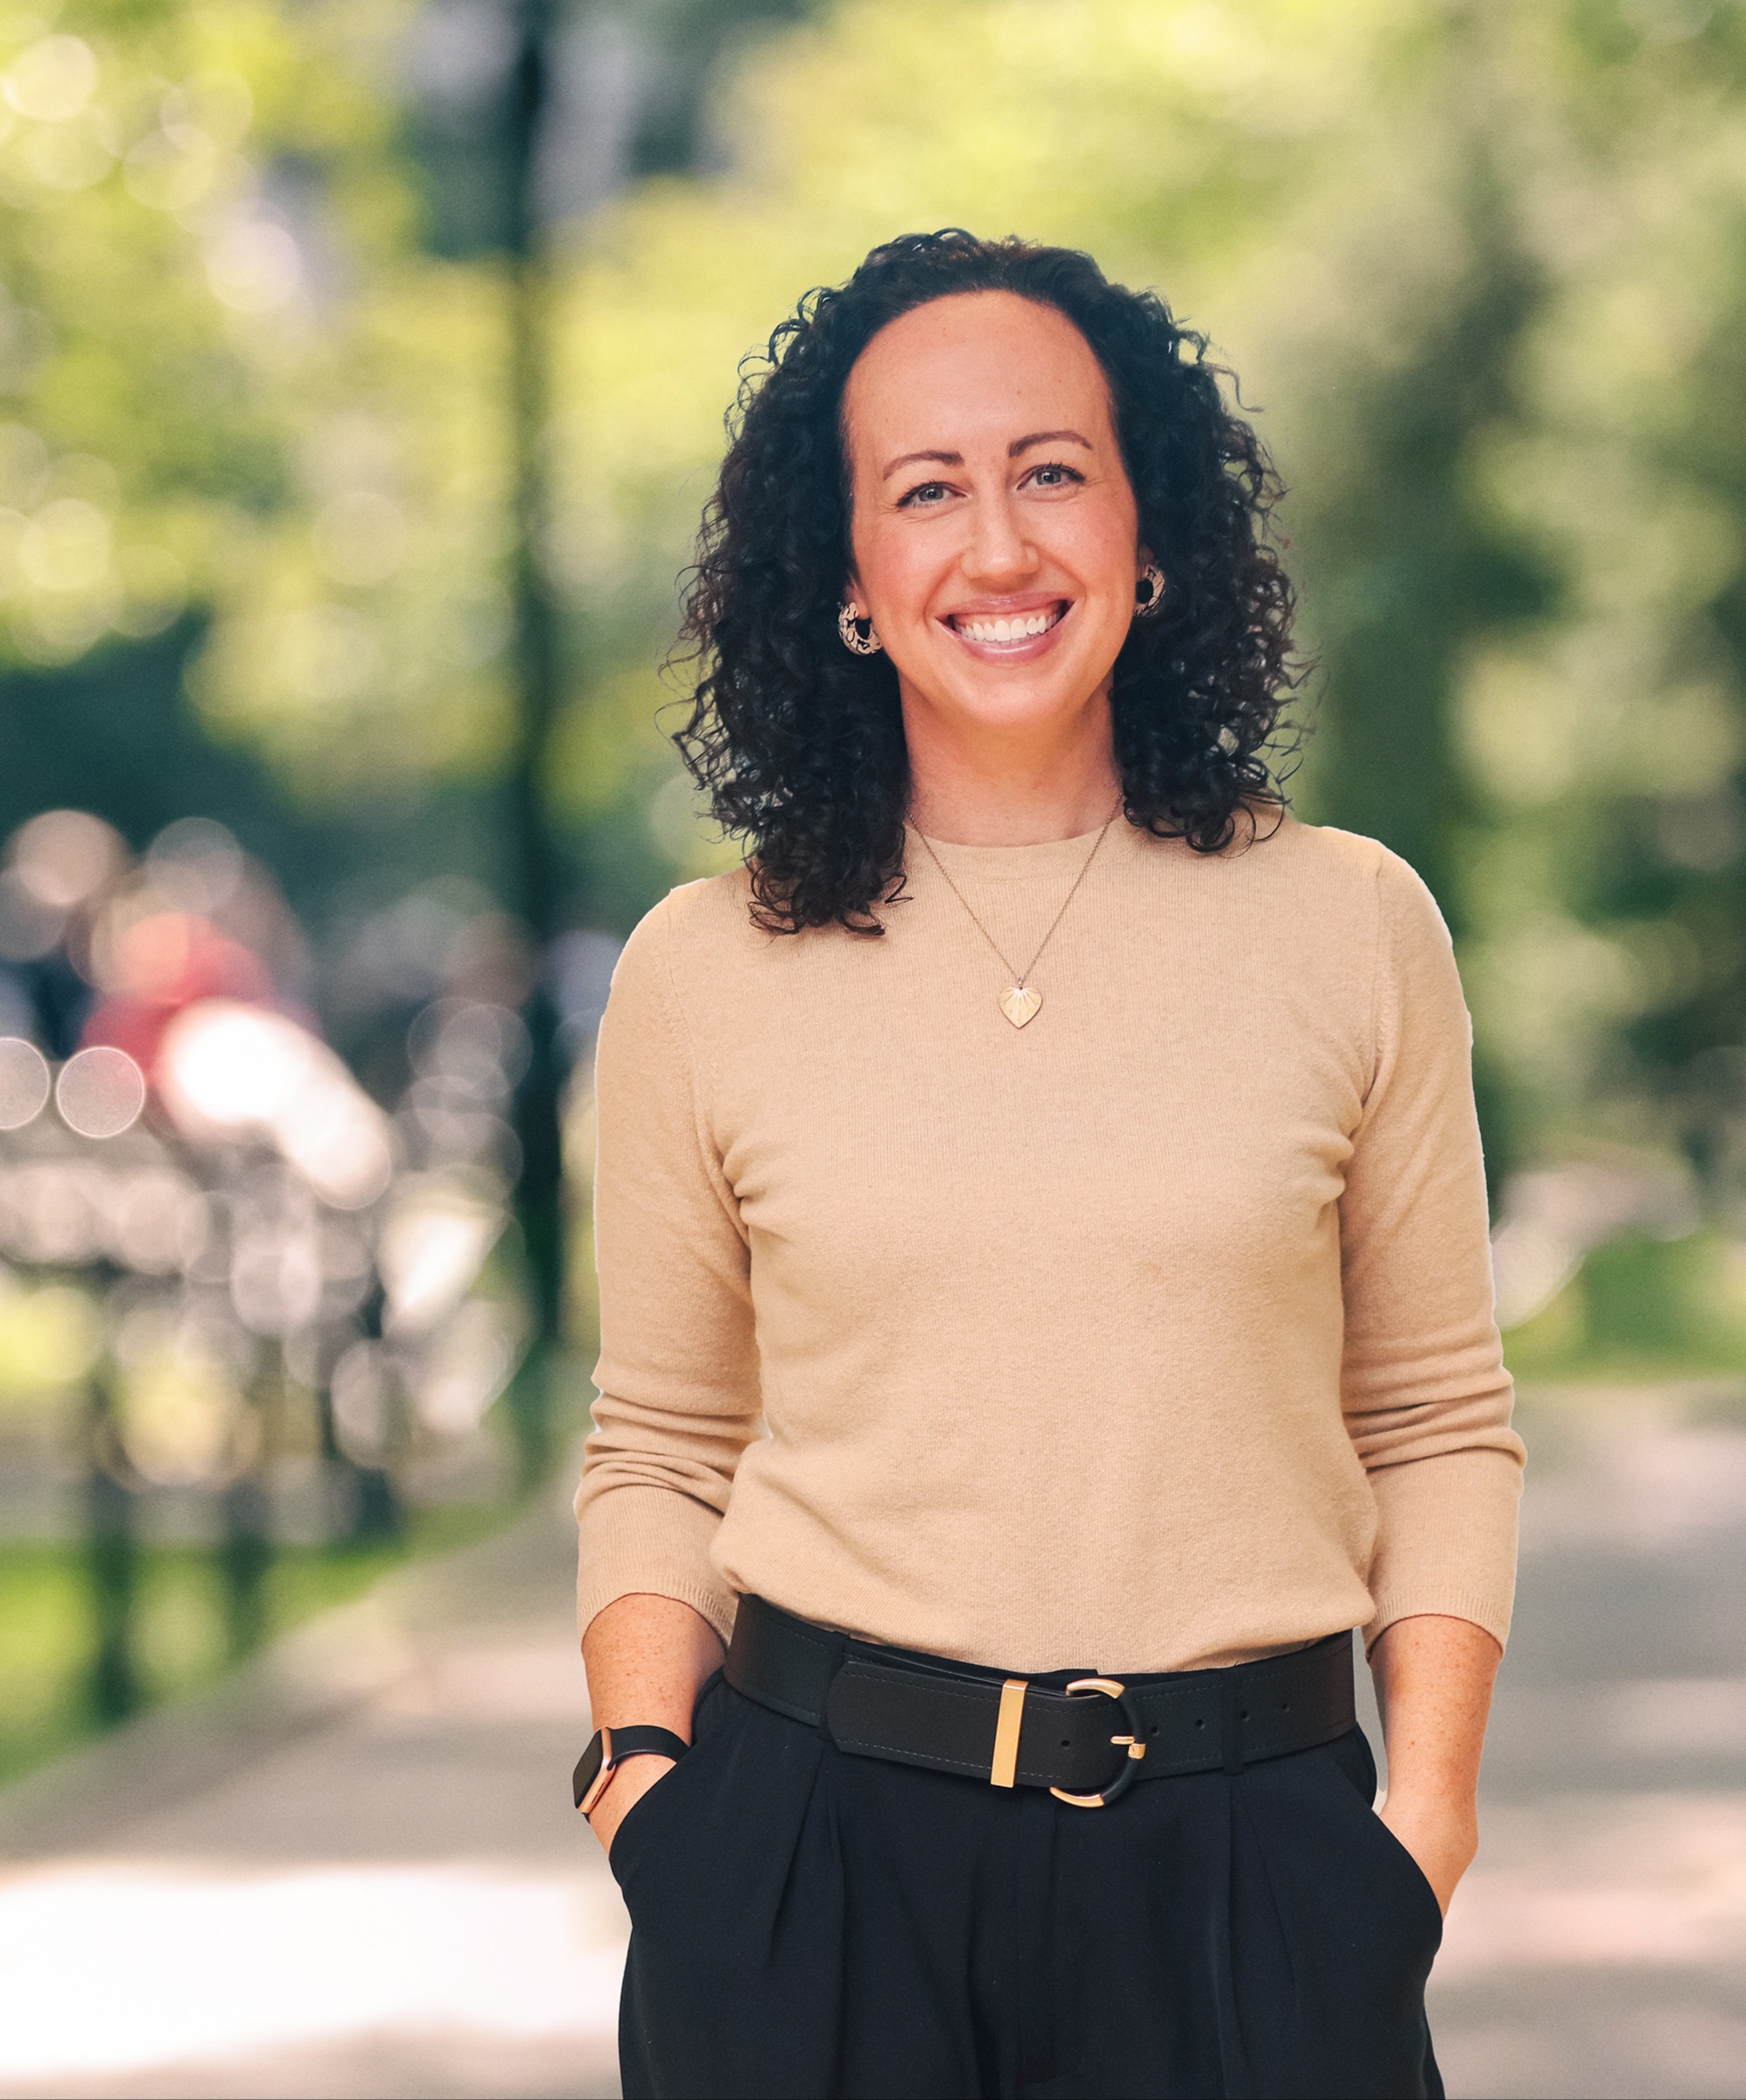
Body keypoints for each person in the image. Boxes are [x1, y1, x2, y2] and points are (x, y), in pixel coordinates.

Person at [571, 229, 1524, 2100]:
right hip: (811, 1878)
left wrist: (1419, 1832)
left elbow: (1434, 1418)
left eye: (1050, 472)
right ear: (847, 574)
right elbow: (663, 1443)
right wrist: (643, 1789)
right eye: (925, 490)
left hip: (1257, 1875)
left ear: (1147, 533)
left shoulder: (1347, 925)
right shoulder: (701, 969)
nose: (997, 547)